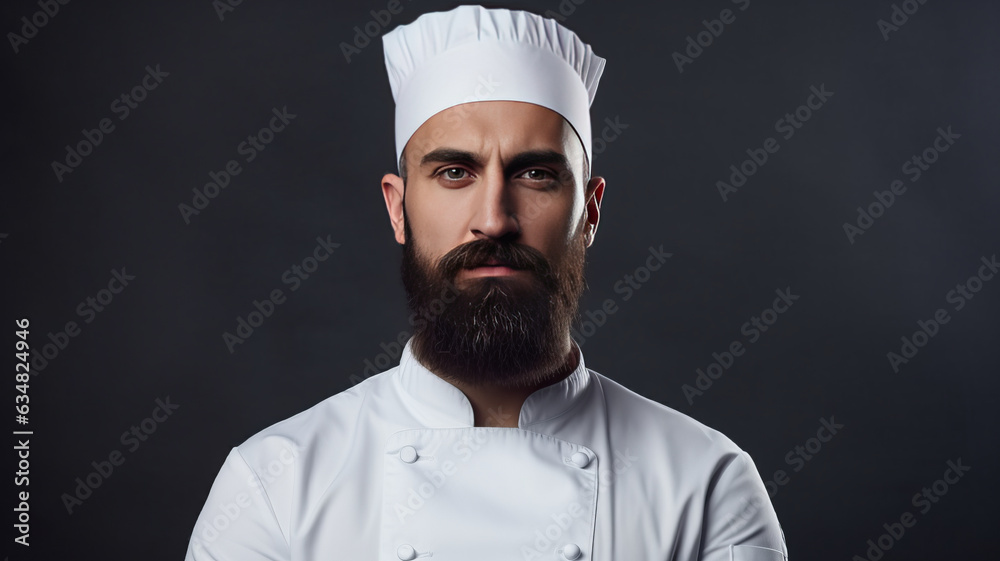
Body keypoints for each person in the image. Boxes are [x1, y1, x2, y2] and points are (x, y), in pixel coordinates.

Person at [184, 5, 787, 560]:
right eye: (454, 172)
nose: (494, 218)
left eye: (536, 175)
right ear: (398, 209)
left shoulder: (706, 486)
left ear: (591, 212)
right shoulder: (273, 486)